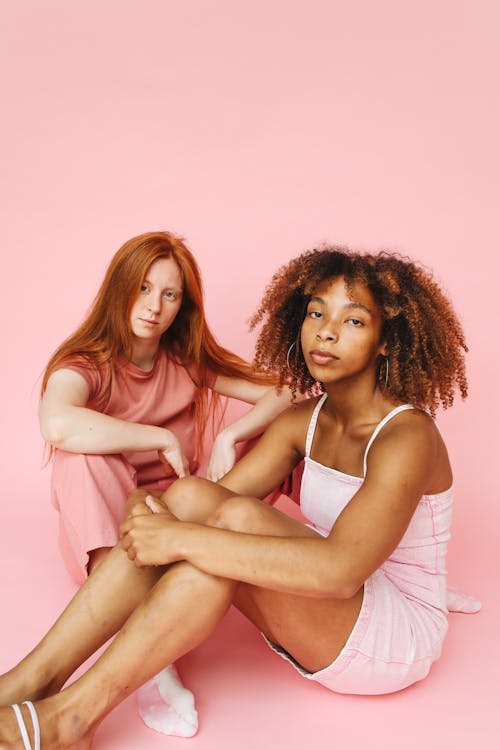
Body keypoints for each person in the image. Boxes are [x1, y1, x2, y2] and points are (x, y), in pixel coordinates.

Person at [0, 246, 479, 748]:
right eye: (316, 313)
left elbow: (339, 573)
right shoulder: (302, 421)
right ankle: (30, 682)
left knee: (219, 531)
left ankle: (71, 721)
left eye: (354, 321)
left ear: (387, 341)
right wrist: (158, 513)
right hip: (319, 609)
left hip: (390, 635)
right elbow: (201, 501)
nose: (327, 331)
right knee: (188, 500)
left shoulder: (408, 436)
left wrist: (177, 537)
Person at [39, 230, 292, 584]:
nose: (154, 306)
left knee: (283, 430)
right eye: (143, 287)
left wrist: (230, 437)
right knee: (79, 458)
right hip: (111, 527)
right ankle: (111, 581)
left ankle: (210, 552)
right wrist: (158, 438)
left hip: (181, 511)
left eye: (169, 295)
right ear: (119, 288)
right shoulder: (84, 365)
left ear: (181, 305)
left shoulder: (185, 359)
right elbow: (58, 425)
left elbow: (287, 394)